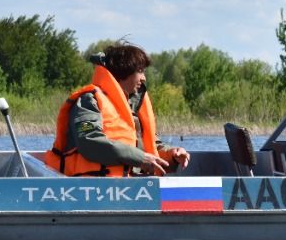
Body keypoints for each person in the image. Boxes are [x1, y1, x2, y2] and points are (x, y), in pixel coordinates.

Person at [48, 43, 190, 177]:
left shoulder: (132, 108)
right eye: (140, 71)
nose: (144, 78)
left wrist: (172, 154)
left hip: (130, 189)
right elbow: (89, 141)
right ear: (124, 71)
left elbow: (149, 147)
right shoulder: (88, 101)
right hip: (91, 190)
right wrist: (139, 158)